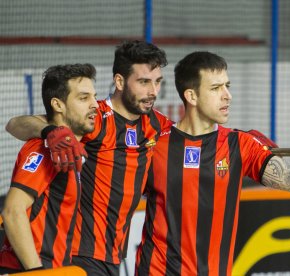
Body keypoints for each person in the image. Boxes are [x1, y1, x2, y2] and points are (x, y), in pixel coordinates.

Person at [134, 51, 290, 275]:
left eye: (228, 86)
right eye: (216, 88)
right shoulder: (154, 142)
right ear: (191, 96)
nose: (227, 96)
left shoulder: (240, 144)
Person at [5, 40, 171, 275]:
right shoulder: (93, 118)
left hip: (114, 255)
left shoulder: (156, 124)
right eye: (144, 82)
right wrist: (49, 131)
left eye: (157, 82)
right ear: (120, 81)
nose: (153, 91)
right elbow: (15, 124)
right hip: (79, 255)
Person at [0, 63, 98, 273]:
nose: (95, 104)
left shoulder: (70, 145)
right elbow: (12, 210)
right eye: (84, 98)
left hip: (55, 267)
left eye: (94, 96)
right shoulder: (47, 149)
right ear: (58, 105)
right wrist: (37, 272)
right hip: (33, 268)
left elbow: (15, 123)